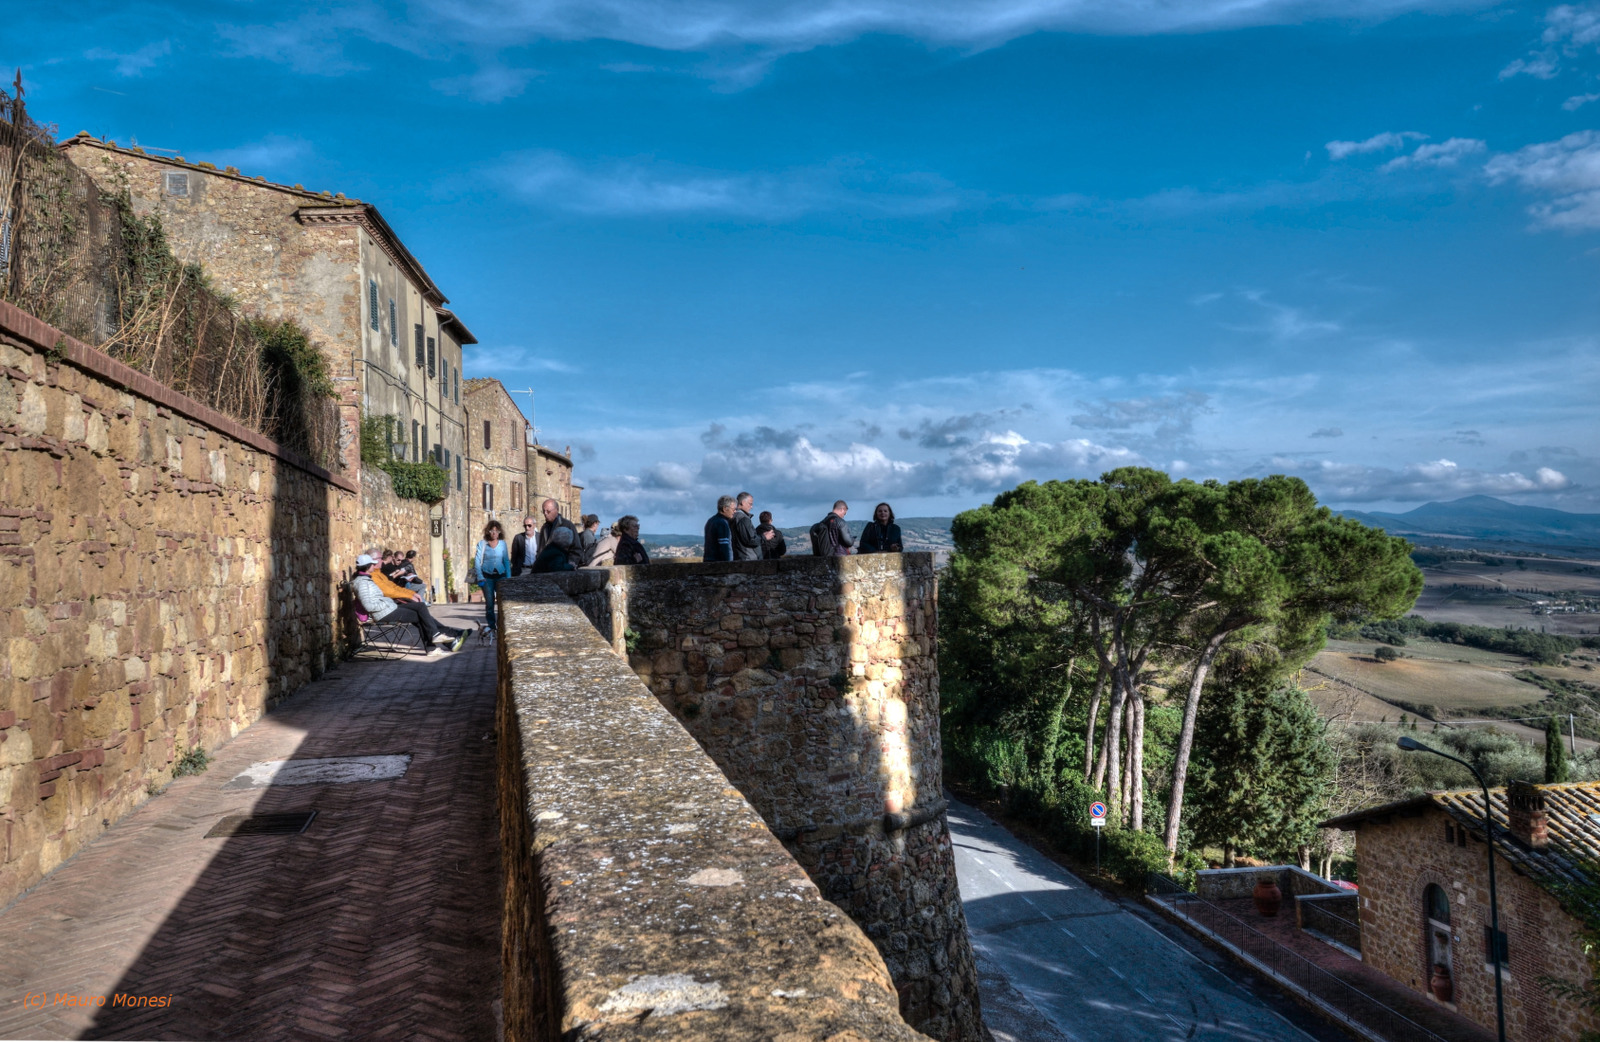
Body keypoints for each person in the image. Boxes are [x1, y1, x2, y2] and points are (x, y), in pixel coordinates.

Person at [351, 554, 465, 655]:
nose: (376, 565)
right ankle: (433, 642)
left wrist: (408, 595)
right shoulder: (363, 583)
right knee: (420, 613)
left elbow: (388, 590)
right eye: (373, 563)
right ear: (368, 566)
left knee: (420, 607)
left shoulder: (366, 579)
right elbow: (369, 606)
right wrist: (386, 603)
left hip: (389, 608)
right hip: (384, 612)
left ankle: (434, 640)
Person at [473, 520, 511, 633]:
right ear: (488, 532)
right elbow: (477, 561)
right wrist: (480, 576)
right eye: (492, 530)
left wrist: (508, 578)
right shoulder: (482, 544)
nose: (494, 533)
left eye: (496, 530)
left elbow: (506, 561)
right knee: (489, 603)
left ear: (499, 532)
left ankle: (502, 626)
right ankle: (492, 626)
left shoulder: (503, 544)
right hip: (487, 577)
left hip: (501, 576)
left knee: (502, 603)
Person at [538, 499, 582, 567]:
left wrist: (570, 564)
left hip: (562, 566)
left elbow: (577, 549)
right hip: (546, 568)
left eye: (548, 511)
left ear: (556, 510)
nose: (545, 514)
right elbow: (540, 549)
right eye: (543, 511)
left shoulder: (568, 525)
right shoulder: (544, 527)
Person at [730, 493, 762, 561]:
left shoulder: (732, 517)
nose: (751, 507)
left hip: (738, 557)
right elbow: (750, 540)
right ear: (743, 502)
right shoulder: (743, 518)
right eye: (750, 504)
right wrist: (764, 538)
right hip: (748, 559)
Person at [704, 495, 735, 562]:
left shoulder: (710, 521)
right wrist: (728, 564)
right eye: (733, 509)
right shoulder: (722, 523)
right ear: (724, 509)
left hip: (708, 561)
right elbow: (724, 547)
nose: (734, 512)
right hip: (719, 564)